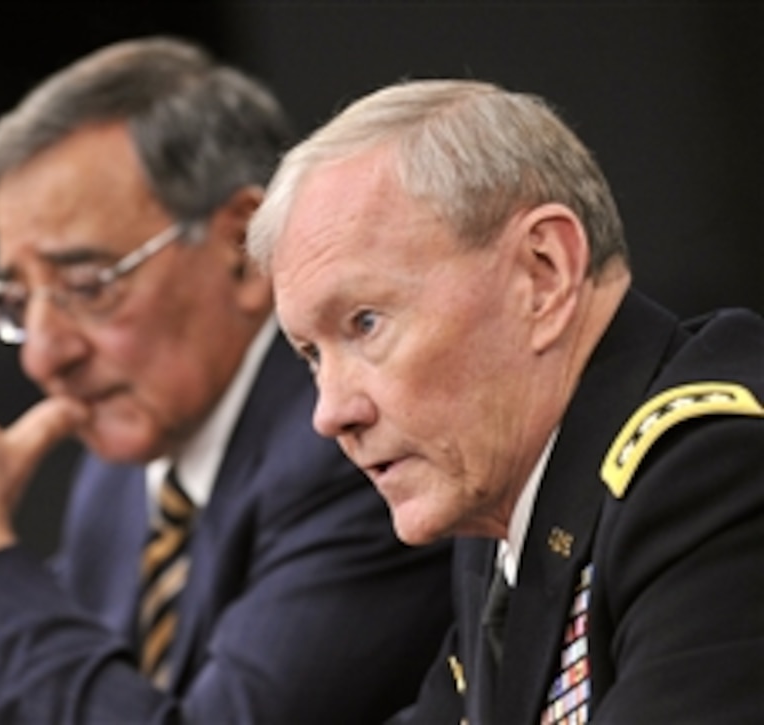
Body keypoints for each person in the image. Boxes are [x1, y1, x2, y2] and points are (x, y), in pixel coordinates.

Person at [0, 37, 454, 724]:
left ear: (242, 248)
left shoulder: (352, 449)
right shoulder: (121, 479)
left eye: (87, 285)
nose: (43, 358)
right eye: (18, 302)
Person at [246, 78, 764, 724]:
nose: (329, 412)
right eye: (311, 355)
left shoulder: (717, 471)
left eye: (366, 322)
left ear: (542, 274)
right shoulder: (502, 500)